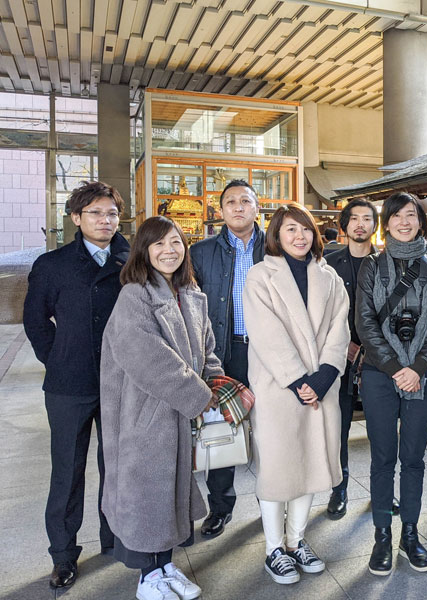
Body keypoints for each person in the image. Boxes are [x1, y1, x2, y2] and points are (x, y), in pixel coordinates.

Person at [100, 216, 221, 600]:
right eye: (159, 245)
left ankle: (165, 565)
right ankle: (147, 576)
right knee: (147, 493)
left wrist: (216, 379)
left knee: (171, 490)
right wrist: (199, 395)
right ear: (144, 251)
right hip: (144, 413)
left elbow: (207, 349)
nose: (169, 251)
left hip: (178, 412)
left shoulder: (189, 292)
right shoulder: (135, 295)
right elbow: (147, 358)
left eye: (175, 242)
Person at [23, 181, 129, 589]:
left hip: (121, 381)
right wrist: (57, 358)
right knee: (67, 472)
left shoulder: (133, 258)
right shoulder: (53, 264)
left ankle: (116, 539)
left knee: (117, 466)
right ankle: (64, 555)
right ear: (76, 218)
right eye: (96, 213)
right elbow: (35, 321)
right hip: (69, 385)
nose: (105, 221)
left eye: (112, 213)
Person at [242, 203, 350, 584]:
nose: (299, 236)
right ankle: (274, 548)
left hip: (321, 386)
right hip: (278, 387)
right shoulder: (260, 276)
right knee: (277, 467)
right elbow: (265, 333)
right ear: (277, 235)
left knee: (311, 463)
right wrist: (297, 381)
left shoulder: (331, 277)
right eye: (290, 230)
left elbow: (341, 328)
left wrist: (323, 377)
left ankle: (297, 540)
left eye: (305, 229)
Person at [356, 192, 427, 576]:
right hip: (380, 375)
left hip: (423, 374)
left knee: (413, 459)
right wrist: (396, 366)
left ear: (420, 221)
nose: (405, 222)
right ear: (387, 222)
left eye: (411, 215)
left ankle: (410, 534)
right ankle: (382, 534)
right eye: (397, 216)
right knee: (382, 459)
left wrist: (420, 366)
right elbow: (365, 322)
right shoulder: (372, 267)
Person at [188, 179, 265, 539]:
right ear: (221, 211)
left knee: (273, 430)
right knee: (223, 427)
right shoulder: (201, 252)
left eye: (245, 201)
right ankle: (220, 507)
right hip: (224, 352)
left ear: (256, 208)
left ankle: (274, 500)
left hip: (270, 353)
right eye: (230, 202)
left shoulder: (277, 245)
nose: (238, 207)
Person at [324, 198, 378, 519]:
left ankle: (381, 490)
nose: (360, 224)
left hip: (376, 356)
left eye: (367, 219)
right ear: (344, 226)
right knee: (339, 425)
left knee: (380, 427)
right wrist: (346, 345)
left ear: (374, 225)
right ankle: (338, 489)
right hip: (339, 354)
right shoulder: (328, 264)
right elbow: (322, 314)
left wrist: (371, 347)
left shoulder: (385, 263)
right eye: (354, 219)